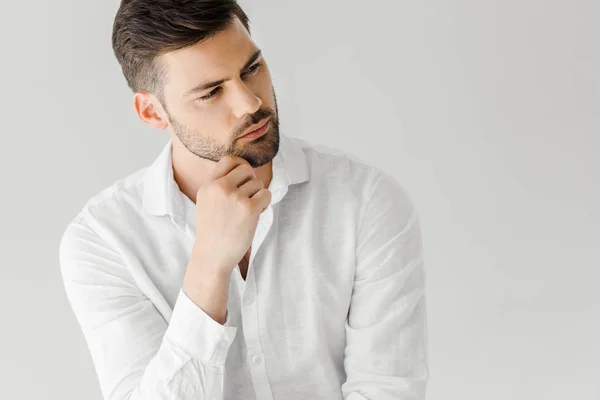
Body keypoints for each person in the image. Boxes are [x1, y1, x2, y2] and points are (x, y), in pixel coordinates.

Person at [58, 1, 430, 399]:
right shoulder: (103, 241)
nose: (251, 103)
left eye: (252, 69)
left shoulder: (364, 202)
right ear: (152, 112)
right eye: (211, 92)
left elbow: (388, 390)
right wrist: (208, 266)